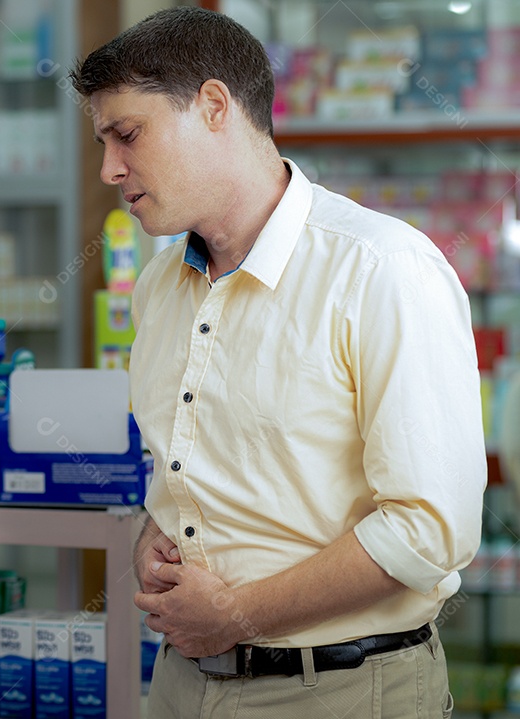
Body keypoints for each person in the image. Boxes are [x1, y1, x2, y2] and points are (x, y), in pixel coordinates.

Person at [71, 7, 484, 718]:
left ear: (212, 107)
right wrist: (153, 533)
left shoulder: (382, 269)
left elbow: (430, 531)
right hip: (181, 683)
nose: (110, 169)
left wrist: (237, 612)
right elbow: (184, 472)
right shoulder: (159, 289)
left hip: (344, 689)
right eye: (103, 141)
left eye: (127, 135)